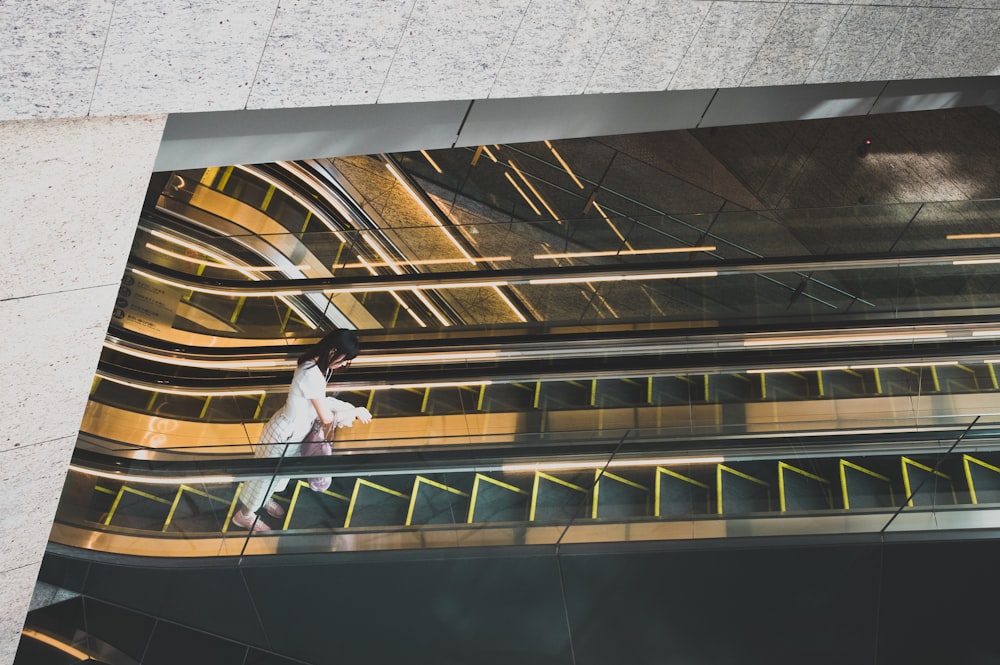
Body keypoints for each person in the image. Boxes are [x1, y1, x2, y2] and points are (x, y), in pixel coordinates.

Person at [232, 328, 372, 532]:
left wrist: (349, 409)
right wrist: (355, 411)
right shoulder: (311, 373)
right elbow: (325, 417)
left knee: (276, 476)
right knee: (264, 479)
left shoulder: (316, 365)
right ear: (333, 351)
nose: (343, 365)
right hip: (283, 435)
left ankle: (263, 500)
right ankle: (244, 515)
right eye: (343, 359)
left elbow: (320, 402)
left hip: (295, 432)